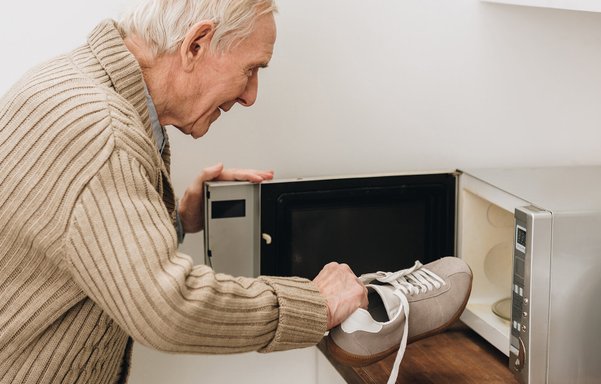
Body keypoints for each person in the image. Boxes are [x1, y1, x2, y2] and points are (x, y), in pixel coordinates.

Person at [0, 1, 368, 383]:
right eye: (251, 69)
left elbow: (80, 245)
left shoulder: (75, 83)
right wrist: (317, 305)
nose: (251, 96)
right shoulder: (101, 133)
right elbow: (168, 306)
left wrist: (176, 219)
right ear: (196, 44)